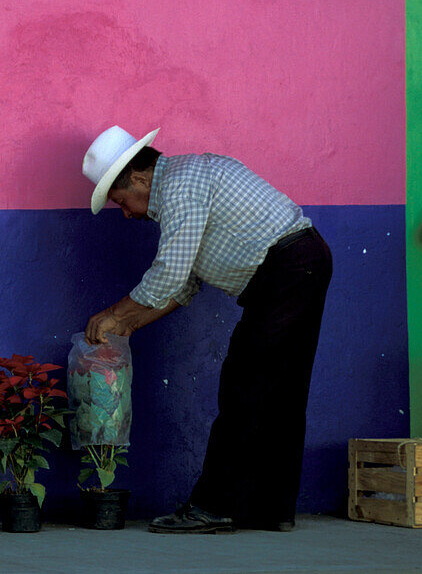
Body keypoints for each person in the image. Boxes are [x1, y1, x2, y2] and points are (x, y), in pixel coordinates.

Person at [81, 125, 332, 534]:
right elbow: (186, 285)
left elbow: (171, 272)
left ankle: (214, 506)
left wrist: (114, 312)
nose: (126, 213)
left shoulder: (181, 184)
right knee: (278, 393)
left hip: (288, 272)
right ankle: (270, 510)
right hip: (296, 268)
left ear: (141, 178)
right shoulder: (185, 184)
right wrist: (126, 325)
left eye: (121, 200)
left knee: (245, 388)